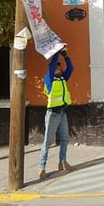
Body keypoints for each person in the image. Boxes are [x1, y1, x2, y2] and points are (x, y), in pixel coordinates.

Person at [38, 48, 74, 179]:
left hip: (62, 114)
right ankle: (42, 167)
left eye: (60, 68)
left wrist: (65, 55)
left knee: (65, 139)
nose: (59, 69)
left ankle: (62, 162)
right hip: (52, 114)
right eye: (56, 68)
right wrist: (56, 54)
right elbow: (52, 67)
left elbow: (71, 68)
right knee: (47, 142)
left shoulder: (63, 79)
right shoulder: (49, 80)